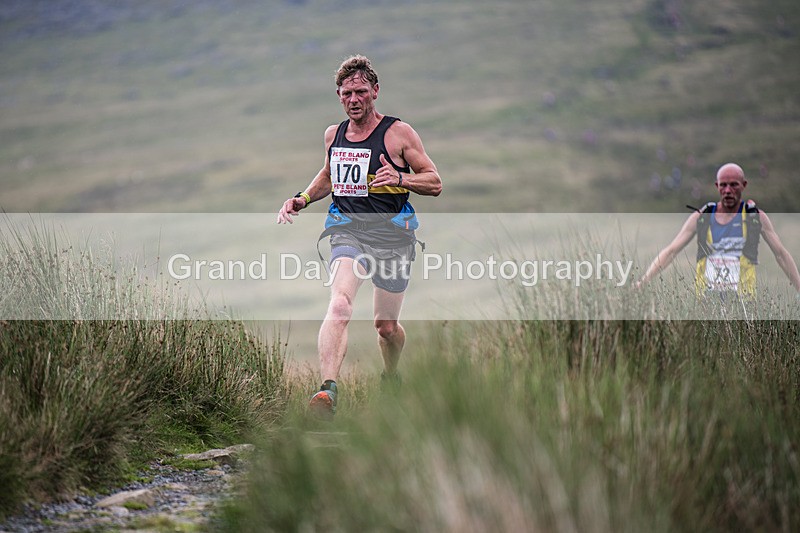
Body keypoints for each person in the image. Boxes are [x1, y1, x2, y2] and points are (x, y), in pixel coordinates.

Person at [277, 55, 442, 419]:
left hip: (393, 236)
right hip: (347, 229)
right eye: (347, 93)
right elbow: (327, 175)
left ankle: (391, 376)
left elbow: (434, 182)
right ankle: (327, 391)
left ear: (375, 92)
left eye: (361, 92)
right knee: (339, 305)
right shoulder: (333, 135)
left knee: (385, 327)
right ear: (339, 95)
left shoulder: (399, 134)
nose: (354, 99)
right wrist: (301, 199)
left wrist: (400, 179)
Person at [636, 162, 800, 298]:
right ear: (717, 186)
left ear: (743, 185)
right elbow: (671, 251)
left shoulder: (755, 216)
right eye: (723, 185)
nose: (728, 190)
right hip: (706, 302)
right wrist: (642, 282)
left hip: (743, 304)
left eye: (734, 185)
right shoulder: (703, 216)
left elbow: (781, 254)